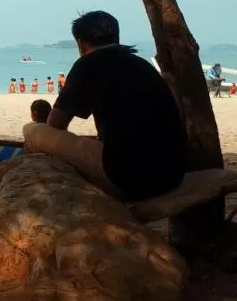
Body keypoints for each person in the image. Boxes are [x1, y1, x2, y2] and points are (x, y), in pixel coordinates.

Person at [22, 11, 186, 201]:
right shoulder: (141, 64)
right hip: (172, 176)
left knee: (32, 131)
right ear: (116, 36)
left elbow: (55, 123)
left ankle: (37, 195)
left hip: (128, 178)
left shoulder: (88, 64)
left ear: (81, 43)